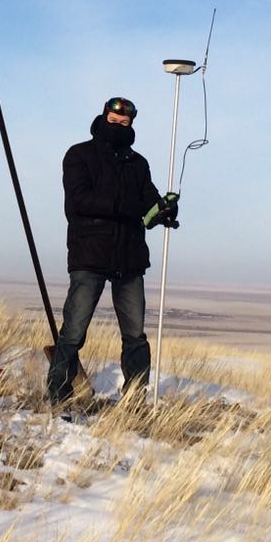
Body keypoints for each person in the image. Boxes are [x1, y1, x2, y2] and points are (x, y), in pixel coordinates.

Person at [47, 95, 180, 404]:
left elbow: (148, 201)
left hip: (129, 258)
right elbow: (79, 200)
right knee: (74, 331)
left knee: (135, 335)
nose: (119, 126)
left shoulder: (138, 163)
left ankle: (134, 397)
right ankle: (59, 395)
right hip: (89, 254)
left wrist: (162, 212)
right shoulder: (80, 155)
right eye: (114, 120)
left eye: (125, 123)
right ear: (103, 117)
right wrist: (123, 206)